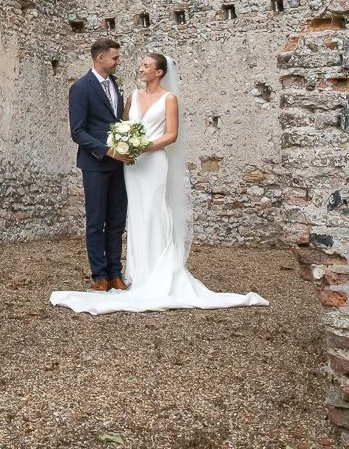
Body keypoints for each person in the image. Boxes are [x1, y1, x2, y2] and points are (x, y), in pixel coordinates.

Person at [52, 53, 269, 313]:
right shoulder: (131, 96)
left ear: (159, 72)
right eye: (140, 64)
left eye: (146, 66)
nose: (140, 68)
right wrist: (123, 146)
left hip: (153, 163)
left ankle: (158, 271)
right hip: (131, 167)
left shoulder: (169, 98)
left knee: (155, 211)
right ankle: (133, 273)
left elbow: (172, 135)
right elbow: (120, 127)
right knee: (134, 215)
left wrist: (144, 146)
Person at [66, 37, 128, 291]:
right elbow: (77, 132)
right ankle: (99, 276)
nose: (118, 62)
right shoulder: (81, 88)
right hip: (95, 163)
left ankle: (115, 272)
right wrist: (107, 151)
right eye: (115, 57)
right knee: (96, 221)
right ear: (100, 58)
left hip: (119, 164)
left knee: (117, 220)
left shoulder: (115, 85)